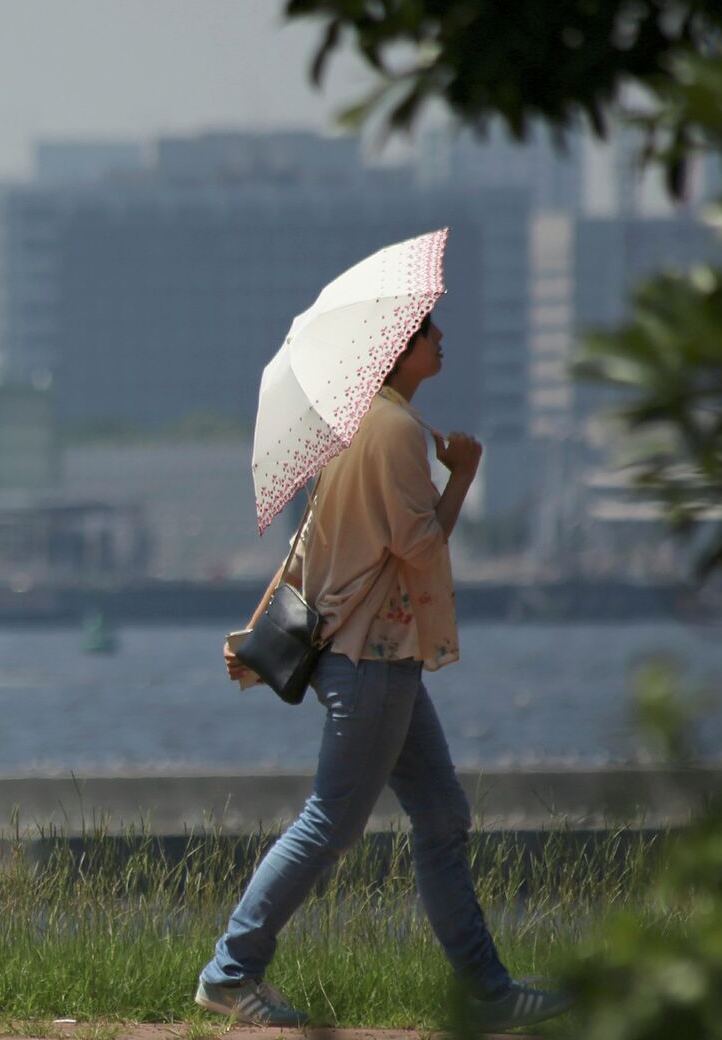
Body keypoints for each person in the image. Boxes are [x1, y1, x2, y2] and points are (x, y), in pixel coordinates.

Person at [194, 315, 573, 1032]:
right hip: (371, 659)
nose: (441, 339)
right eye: (429, 333)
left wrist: (260, 633)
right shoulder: (396, 432)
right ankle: (230, 972)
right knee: (329, 825)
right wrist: (462, 474)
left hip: (381, 657)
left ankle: (487, 992)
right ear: (399, 352)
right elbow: (420, 544)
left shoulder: (352, 424)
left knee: (440, 815)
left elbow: (311, 542)